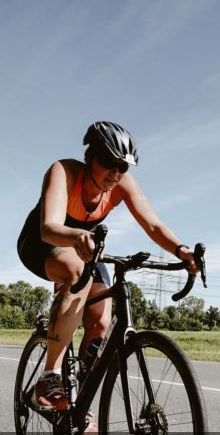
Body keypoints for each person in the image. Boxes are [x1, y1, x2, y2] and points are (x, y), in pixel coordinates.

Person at [17, 121, 198, 415]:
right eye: (108, 163)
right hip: (41, 243)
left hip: (86, 248)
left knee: (102, 323)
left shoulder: (121, 185)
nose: (115, 174)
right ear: (90, 156)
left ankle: (81, 398)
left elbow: (152, 223)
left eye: (123, 168)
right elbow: (49, 227)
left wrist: (181, 249)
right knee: (76, 269)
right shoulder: (63, 171)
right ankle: (49, 377)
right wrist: (77, 236)